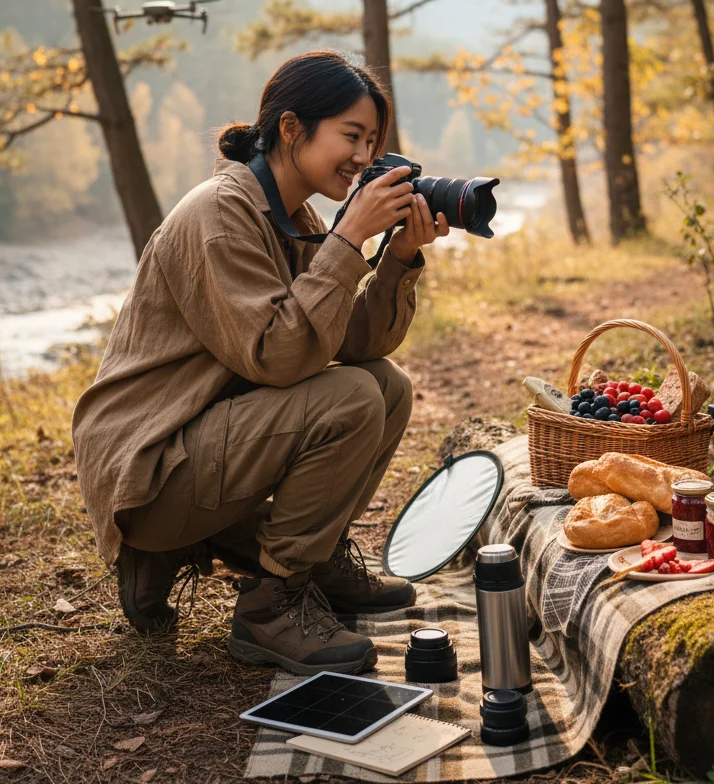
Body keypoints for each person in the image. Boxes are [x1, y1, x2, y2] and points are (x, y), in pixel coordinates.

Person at [71, 50, 449, 675]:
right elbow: (279, 355)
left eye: (372, 141)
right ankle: (270, 610)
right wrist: (348, 239)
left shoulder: (290, 217)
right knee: (351, 398)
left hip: (205, 436)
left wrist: (397, 259)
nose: (363, 156)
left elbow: (351, 343)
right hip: (151, 461)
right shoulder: (220, 213)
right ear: (293, 129)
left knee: (384, 387)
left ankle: (313, 559)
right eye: (350, 135)